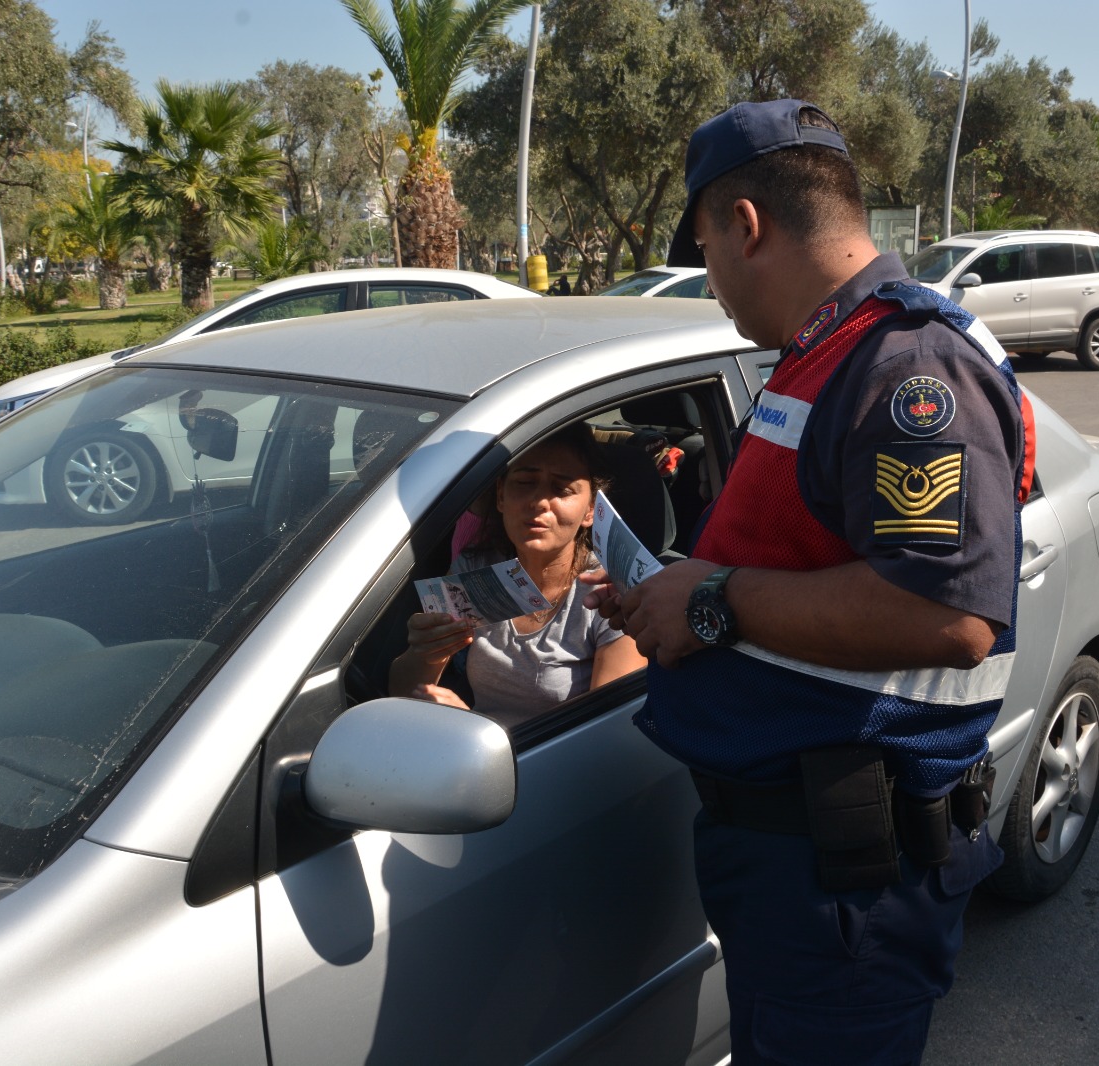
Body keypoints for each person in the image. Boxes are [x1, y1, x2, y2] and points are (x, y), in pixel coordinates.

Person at [583, 99, 1028, 1063]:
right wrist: (679, 590)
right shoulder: (825, 354)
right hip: (796, 853)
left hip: (842, 878)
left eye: (704, 251)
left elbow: (948, 615)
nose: (710, 282)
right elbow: (798, 552)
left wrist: (713, 600)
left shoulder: (907, 365)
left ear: (747, 227)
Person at [390, 423, 646, 726]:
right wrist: (426, 653)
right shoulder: (475, 570)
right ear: (500, 496)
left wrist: (471, 725)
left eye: (562, 489)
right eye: (525, 483)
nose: (538, 502)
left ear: (590, 510)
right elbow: (403, 696)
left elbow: (604, 738)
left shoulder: (612, 593)